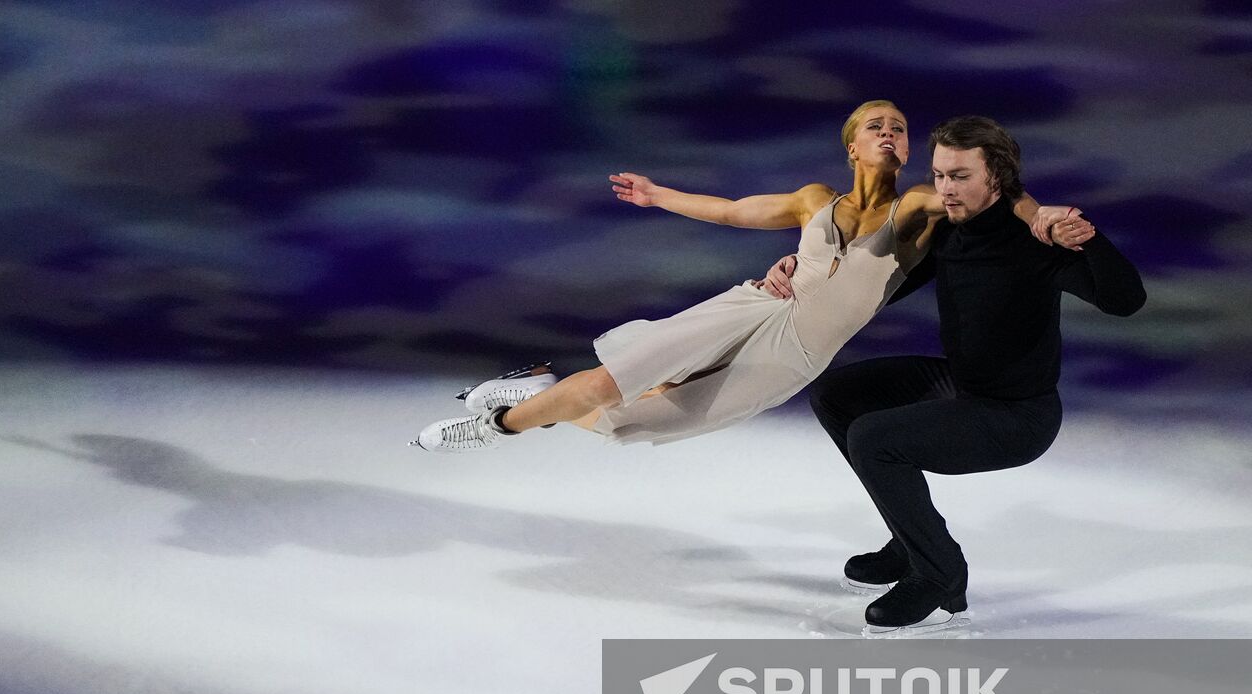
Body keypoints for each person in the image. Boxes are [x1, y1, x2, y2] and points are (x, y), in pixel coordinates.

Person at [410, 101, 1077, 454]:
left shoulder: (919, 208)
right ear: (851, 145)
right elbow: (732, 210)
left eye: (898, 129)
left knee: (628, 424)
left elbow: (991, 193)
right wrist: (658, 195)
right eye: (875, 124)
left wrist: (1037, 212)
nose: (888, 132)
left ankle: (539, 393)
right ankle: (499, 426)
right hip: (754, 306)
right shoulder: (815, 199)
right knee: (615, 381)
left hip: (797, 354)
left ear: (909, 151)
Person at [776, 115, 1146, 634]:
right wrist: (799, 273)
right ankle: (911, 544)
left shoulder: (1033, 242)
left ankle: (940, 575)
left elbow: (1126, 301)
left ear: (996, 178)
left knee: (874, 438)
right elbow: (878, 287)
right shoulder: (949, 231)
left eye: (960, 177)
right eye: (940, 175)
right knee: (837, 394)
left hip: (1017, 415)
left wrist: (1089, 237)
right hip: (963, 384)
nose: (945, 189)